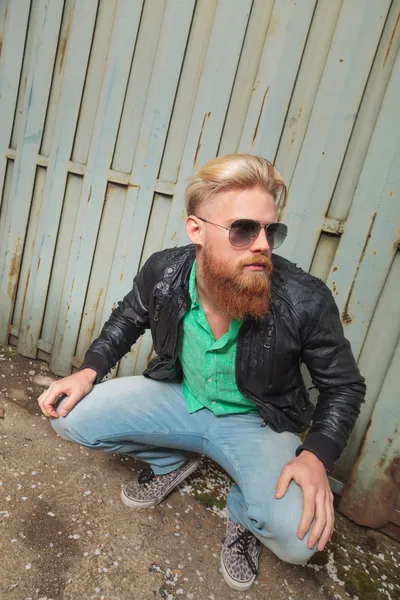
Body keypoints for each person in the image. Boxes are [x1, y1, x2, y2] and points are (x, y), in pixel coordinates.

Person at [38, 154, 365, 591]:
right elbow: (126, 319)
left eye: (271, 230)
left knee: (299, 538)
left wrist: (317, 454)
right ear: (196, 230)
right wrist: (88, 371)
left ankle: (243, 510)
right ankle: (170, 463)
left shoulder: (304, 299)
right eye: (243, 229)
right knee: (68, 415)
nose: (262, 245)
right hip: (182, 398)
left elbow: (343, 385)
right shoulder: (164, 271)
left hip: (258, 423)